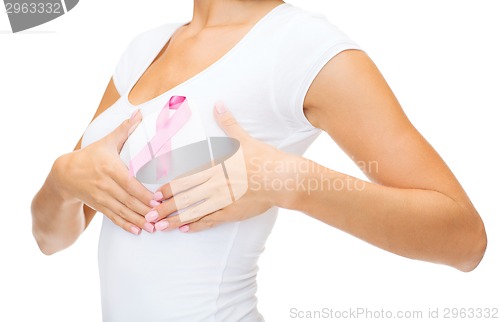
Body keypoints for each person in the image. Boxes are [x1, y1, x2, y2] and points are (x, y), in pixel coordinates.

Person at [31, 0, 487, 321]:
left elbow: (465, 240)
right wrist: (62, 180)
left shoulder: (302, 45)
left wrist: (289, 182)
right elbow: (51, 239)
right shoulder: (142, 50)